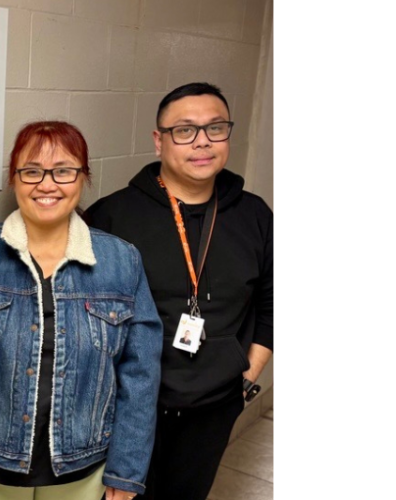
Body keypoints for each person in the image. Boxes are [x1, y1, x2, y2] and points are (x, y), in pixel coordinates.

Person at [0, 121, 163, 500]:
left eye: (63, 170)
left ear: (83, 177)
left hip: (85, 463)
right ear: (14, 179)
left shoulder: (121, 261)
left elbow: (140, 374)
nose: (47, 185)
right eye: (32, 171)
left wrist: (127, 469)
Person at [84, 82, 273, 500]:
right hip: (127, 406)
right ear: (159, 140)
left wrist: (246, 371)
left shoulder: (254, 214)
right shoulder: (113, 217)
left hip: (215, 404)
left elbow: (272, 302)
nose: (202, 141)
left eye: (215, 128)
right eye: (185, 130)